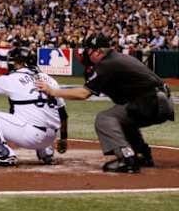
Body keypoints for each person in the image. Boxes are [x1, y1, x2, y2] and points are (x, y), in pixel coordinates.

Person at [36, 33, 175, 173]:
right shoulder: (118, 59)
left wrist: (53, 91)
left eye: (89, 50)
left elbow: (83, 94)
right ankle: (142, 155)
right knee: (123, 118)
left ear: (98, 51)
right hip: (162, 102)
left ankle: (126, 158)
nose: (86, 54)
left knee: (105, 118)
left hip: (151, 102)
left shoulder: (107, 64)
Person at [0, 46, 68, 166]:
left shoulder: (12, 78)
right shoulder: (49, 79)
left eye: (14, 61)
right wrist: (63, 138)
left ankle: (5, 155)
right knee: (28, 111)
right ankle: (46, 153)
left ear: (21, 62)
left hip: (31, 137)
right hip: (51, 137)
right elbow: (63, 114)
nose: (11, 63)